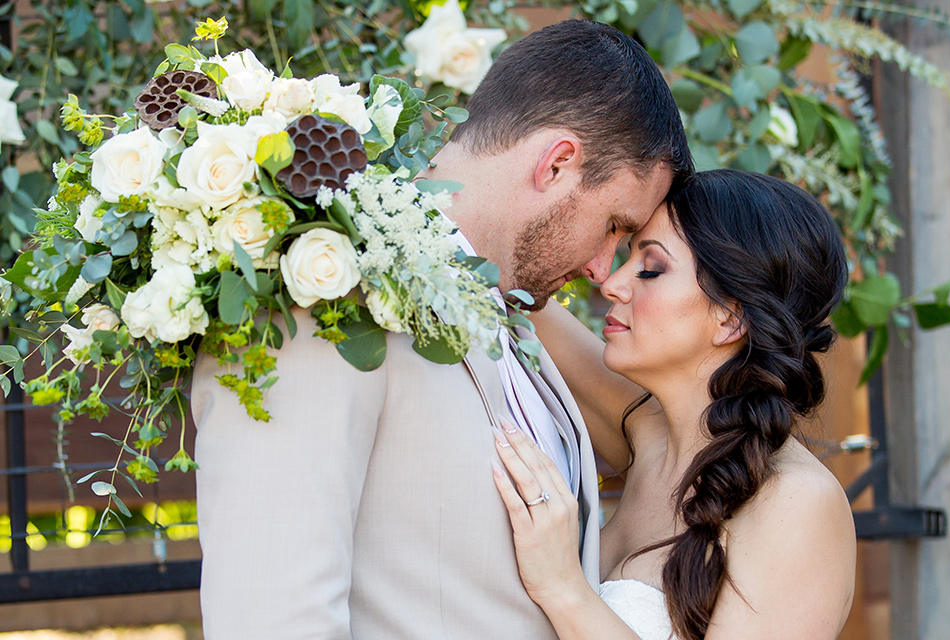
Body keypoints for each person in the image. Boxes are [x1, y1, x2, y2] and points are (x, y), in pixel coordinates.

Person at [190, 20, 693, 639]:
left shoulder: (516, 325)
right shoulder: (321, 287)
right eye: (615, 225)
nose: (600, 268)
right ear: (557, 164)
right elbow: (270, 617)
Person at [492, 169, 857, 640]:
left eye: (650, 269)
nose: (612, 284)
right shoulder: (647, 431)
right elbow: (511, 289)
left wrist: (563, 588)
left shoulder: (798, 503)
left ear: (729, 318)